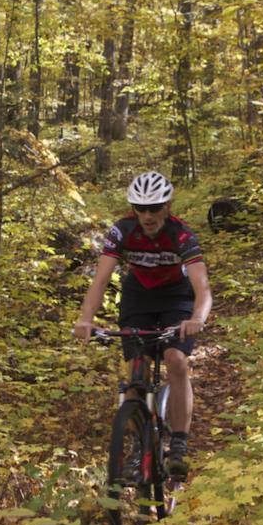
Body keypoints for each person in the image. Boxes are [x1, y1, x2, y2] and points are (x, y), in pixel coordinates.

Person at [73, 170, 212, 478]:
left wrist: (197, 318)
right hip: (139, 296)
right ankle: (139, 444)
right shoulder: (122, 231)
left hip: (177, 297)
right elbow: (101, 279)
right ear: (133, 208)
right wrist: (86, 319)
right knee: (137, 369)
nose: (147, 215)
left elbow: (202, 288)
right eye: (141, 208)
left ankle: (178, 444)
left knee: (175, 359)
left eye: (155, 207)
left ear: (167, 205)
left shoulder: (181, 235)